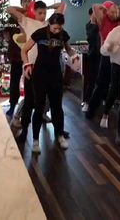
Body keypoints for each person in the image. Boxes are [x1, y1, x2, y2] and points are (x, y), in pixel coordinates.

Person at [7, 0, 67, 142]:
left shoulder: (49, 24)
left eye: (44, 13)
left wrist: (48, 7)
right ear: (34, 12)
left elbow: (62, 5)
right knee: (29, 101)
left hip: (48, 68)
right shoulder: (26, 21)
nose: (42, 15)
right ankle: (24, 131)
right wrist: (25, 9)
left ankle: (59, 131)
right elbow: (9, 9)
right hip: (31, 67)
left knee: (53, 101)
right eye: (40, 12)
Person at [22, 13, 77, 153]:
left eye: (58, 28)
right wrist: (27, 65)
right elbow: (24, 50)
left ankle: (59, 135)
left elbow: (69, 49)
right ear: (49, 25)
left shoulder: (63, 34)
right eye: (54, 28)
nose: (56, 31)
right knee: (39, 106)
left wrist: (74, 56)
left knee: (57, 106)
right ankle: (35, 140)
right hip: (40, 74)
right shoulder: (39, 33)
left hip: (56, 74)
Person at [86, 0, 120, 119]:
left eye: (117, 11)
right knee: (102, 85)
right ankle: (91, 110)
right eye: (112, 12)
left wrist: (117, 7)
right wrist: (106, 8)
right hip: (107, 57)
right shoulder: (102, 21)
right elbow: (95, 6)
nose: (115, 13)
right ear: (106, 12)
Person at [4, 0, 32, 118]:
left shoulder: (33, 17)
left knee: (30, 82)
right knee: (14, 81)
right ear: (21, 3)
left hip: (30, 55)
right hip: (16, 55)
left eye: (28, 1)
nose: (26, 3)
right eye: (24, 1)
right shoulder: (14, 17)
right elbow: (8, 8)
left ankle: (30, 107)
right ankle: (12, 105)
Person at [82, 8, 101, 112]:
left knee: (101, 80)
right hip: (93, 55)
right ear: (90, 15)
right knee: (91, 80)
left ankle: (99, 100)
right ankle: (86, 102)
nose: (97, 15)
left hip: (102, 55)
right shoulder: (89, 25)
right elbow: (94, 32)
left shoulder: (99, 25)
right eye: (95, 13)